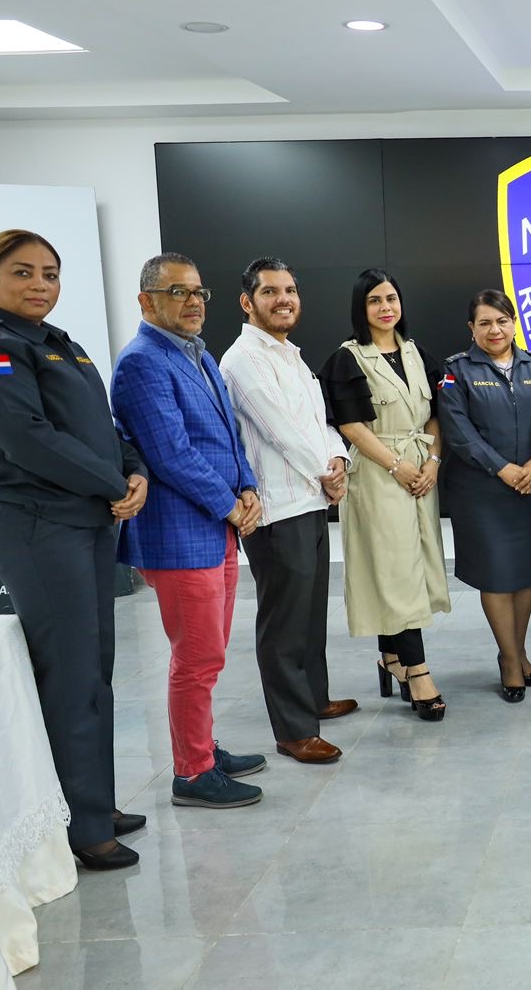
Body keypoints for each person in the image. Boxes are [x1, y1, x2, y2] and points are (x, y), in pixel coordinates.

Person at [0, 230, 149, 870]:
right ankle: (83, 829)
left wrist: (134, 470)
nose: (40, 284)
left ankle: (95, 801)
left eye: (51, 274)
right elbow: (29, 440)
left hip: (85, 520)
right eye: (24, 272)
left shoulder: (62, 345)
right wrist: (116, 483)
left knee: (94, 670)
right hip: (33, 523)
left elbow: (103, 428)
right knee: (69, 673)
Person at [110, 253, 267, 810]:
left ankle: (202, 746)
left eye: (200, 291)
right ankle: (193, 772)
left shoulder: (196, 353)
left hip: (216, 526)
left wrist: (248, 487)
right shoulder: (142, 363)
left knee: (210, 651)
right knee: (197, 655)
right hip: (180, 533)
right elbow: (170, 454)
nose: (194, 301)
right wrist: (229, 505)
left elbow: (229, 437)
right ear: (146, 301)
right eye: (179, 292)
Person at [220, 257, 356, 764]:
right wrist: (328, 470)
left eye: (291, 290)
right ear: (247, 301)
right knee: (283, 623)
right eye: (271, 291)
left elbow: (319, 423)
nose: (284, 299)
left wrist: (338, 459)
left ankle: (314, 699)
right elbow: (280, 430)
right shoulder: (243, 360)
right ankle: (293, 729)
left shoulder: (289, 355)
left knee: (310, 612)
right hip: (276, 509)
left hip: (310, 499)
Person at [318, 269, 452, 722]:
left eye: (391, 297)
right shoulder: (348, 358)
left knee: (412, 567)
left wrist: (431, 462)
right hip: (378, 472)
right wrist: (396, 466)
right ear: (362, 308)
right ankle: (418, 671)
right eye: (374, 300)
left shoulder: (418, 354)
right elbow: (351, 425)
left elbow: (435, 416)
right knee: (395, 572)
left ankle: (390, 658)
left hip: (419, 468)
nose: (385, 307)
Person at [437, 289, 531, 703]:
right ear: (472, 328)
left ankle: (519, 652)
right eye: (484, 322)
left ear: (514, 322)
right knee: (496, 574)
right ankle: (509, 659)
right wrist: (502, 468)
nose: (494, 329)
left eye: (502, 321)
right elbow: (458, 431)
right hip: (482, 491)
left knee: (525, 572)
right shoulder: (457, 371)